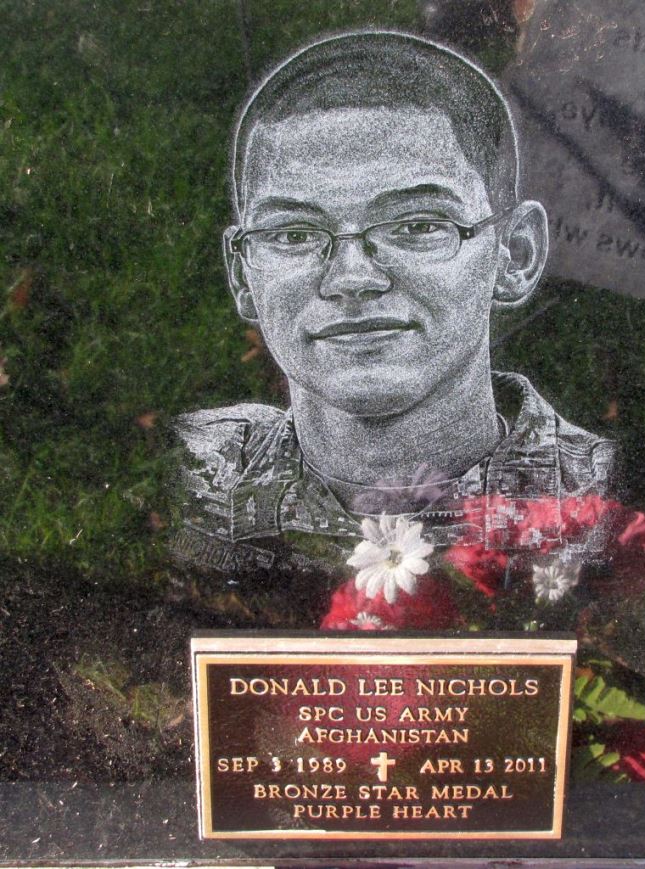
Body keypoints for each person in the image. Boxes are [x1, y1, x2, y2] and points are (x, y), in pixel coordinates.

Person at [172, 31, 616, 578]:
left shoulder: (616, 503)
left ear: (516, 255)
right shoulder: (179, 474)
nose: (351, 279)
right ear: (242, 275)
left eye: (416, 225)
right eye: (292, 234)